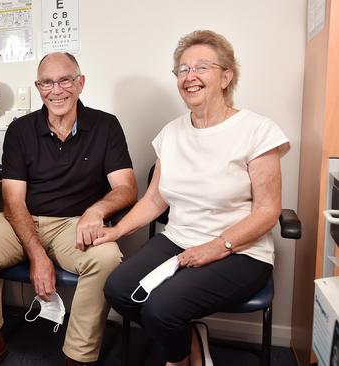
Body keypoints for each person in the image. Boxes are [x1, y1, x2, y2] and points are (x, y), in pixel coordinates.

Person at [99, 30, 290, 366]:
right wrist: (115, 232)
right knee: (118, 289)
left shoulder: (257, 131)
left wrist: (215, 248)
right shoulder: (171, 133)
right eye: (182, 70)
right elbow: (155, 200)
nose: (190, 77)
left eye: (201, 67)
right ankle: (189, 340)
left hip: (241, 251)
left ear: (226, 76)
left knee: (162, 308)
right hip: (179, 239)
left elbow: (267, 210)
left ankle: (179, 359)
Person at [0, 52, 138, 366]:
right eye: (47, 82)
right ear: (38, 87)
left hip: (75, 223)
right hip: (24, 220)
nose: (56, 90)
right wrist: (37, 255)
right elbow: (14, 201)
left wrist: (96, 212)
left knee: (107, 258)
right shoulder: (20, 130)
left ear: (80, 83)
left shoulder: (105, 125)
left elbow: (126, 188)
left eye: (65, 80)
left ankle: (78, 356)